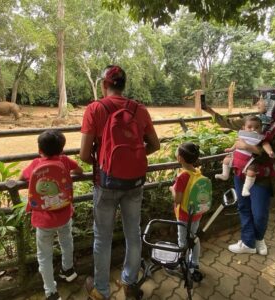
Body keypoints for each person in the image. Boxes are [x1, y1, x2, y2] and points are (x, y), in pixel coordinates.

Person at [80, 65, 160, 300]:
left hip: (106, 183)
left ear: (105, 85)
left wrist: (107, 160)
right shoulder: (139, 110)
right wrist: (133, 158)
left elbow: (85, 155)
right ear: (123, 85)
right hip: (134, 183)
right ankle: (129, 282)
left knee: (102, 238)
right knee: (133, 234)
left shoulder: (95, 109)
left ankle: (101, 291)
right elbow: (155, 146)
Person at [203, 89, 275, 255]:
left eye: (261, 100)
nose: (258, 103)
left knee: (259, 213)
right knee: (244, 207)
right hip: (240, 172)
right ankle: (247, 242)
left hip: (261, 176)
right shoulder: (254, 121)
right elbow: (227, 123)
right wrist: (208, 110)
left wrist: (248, 147)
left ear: (273, 103)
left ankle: (258, 239)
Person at [20, 130, 83, 300]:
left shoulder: (35, 163)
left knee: (44, 255)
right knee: (66, 241)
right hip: (64, 214)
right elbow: (80, 171)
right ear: (61, 149)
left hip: (43, 219)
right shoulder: (64, 160)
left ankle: (51, 291)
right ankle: (68, 270)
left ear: (40, 149)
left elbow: (22, 176)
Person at [169, 142, 210, 279]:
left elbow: (178, 200)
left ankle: (184, 265)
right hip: (196, 213)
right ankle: (194, 262)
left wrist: (172, 190)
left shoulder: (182, 176)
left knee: (183, 241)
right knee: (193, 237)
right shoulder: (197, 172)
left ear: (180, 158)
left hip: (183, 215)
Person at [215, 115, 275, 197]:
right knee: (226, 160)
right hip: (236, 157)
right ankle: (225, 175)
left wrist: (270, 151)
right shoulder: (243, 135)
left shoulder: (261, 138)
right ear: (244, 128)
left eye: (257, 127)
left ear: (261, 128)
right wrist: (231, 149)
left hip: (249, 161)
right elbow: (237, 143)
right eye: (249, 127)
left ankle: (246, 188)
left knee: (251, 173)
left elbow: (265, 144)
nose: (253, 129)